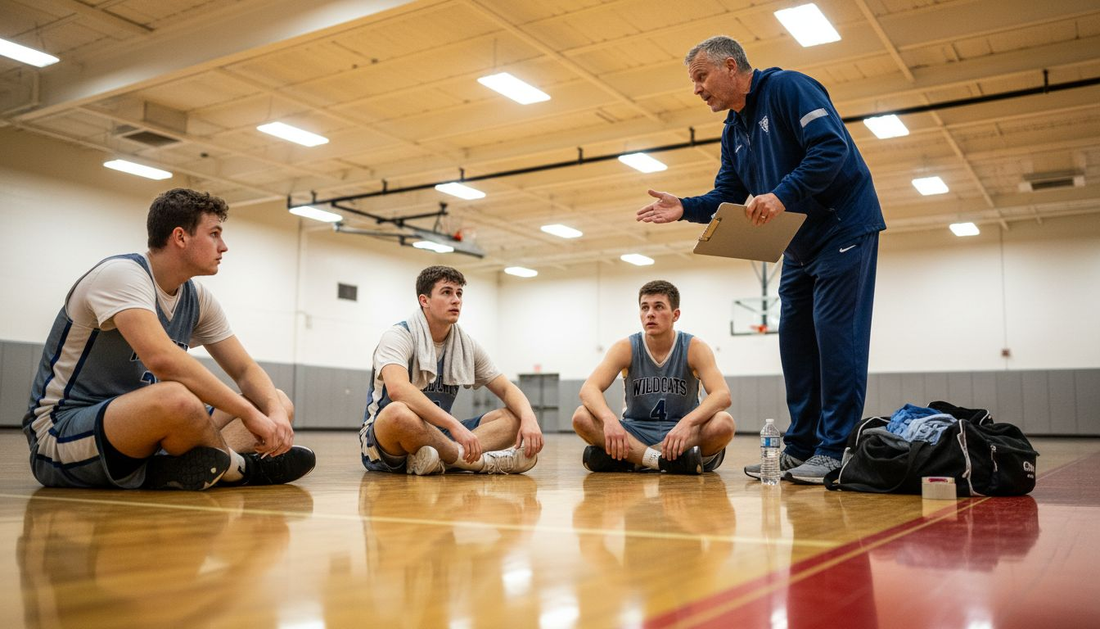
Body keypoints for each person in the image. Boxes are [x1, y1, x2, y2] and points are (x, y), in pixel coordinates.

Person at [637, 36, 886, 483]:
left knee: (835, 341)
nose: (696, 89)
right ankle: (803, 447)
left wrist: (782, 194)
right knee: (795, 345)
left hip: (844, 228)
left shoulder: (789, 88)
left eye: (701, 77)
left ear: (731, 67)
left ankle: (836, 450)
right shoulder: (734, 129)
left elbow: (832, 149)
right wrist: (685, 208)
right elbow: (728, 195)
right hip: (798, 244)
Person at [22, 188, 315, 491]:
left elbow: (244, 370)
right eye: (214, 233)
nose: (224, 246)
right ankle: (243, 468)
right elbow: (163, 361)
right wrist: (247, 414)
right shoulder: (121, 275)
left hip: (151, 434)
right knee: (176, 398)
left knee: (275, 399)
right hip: (62, 433)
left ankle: (182, 468)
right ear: (180, 237)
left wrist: (275, 414)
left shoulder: (197, 297)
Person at [359, 265, 543, 475]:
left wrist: (529, 419)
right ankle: (479, 462)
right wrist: (454, 426)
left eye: (459, 293)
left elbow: (506, 389)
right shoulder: (399, 336)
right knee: (398, 413)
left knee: (515, 417)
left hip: (439, 436)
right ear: (424, 300)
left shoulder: (465, 345)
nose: (456, 300)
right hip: (387, 439)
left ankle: (439, 459)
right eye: (446, 292)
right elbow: (398, 389)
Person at [571, 280, 734, 475]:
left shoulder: (694, 347)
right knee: (581, 416)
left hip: (681, 434)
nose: (650, 313)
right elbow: (589, 389)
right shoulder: (626, 347)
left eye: (658, 307)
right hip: (636, 432)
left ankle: (631, 460)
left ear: (675, 315)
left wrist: (687, 423)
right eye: (644, 307)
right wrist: (609, 419)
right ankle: (667, 462)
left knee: (724, 423)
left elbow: (722, 394)